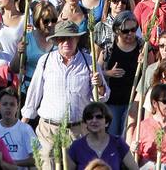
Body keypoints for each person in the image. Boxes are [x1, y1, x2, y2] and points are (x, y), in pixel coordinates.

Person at [22, 20, 107, 170]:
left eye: (70, 38)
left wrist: (99, 85)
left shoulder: (90, 63)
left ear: (77, 39)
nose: (66, 42)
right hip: (49, 129)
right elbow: (34, 92)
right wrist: (24, 122)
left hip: (78, 130)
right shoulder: (46, 61)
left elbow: (102, 98)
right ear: (56, 41)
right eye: (62, 38)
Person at [66, 101, 135, 170]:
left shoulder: (118, 144)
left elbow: (134, 168)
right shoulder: (77, 147)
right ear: (86, 123)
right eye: (89, 117)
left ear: (107, 122)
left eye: (99, 117)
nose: (94, 120)